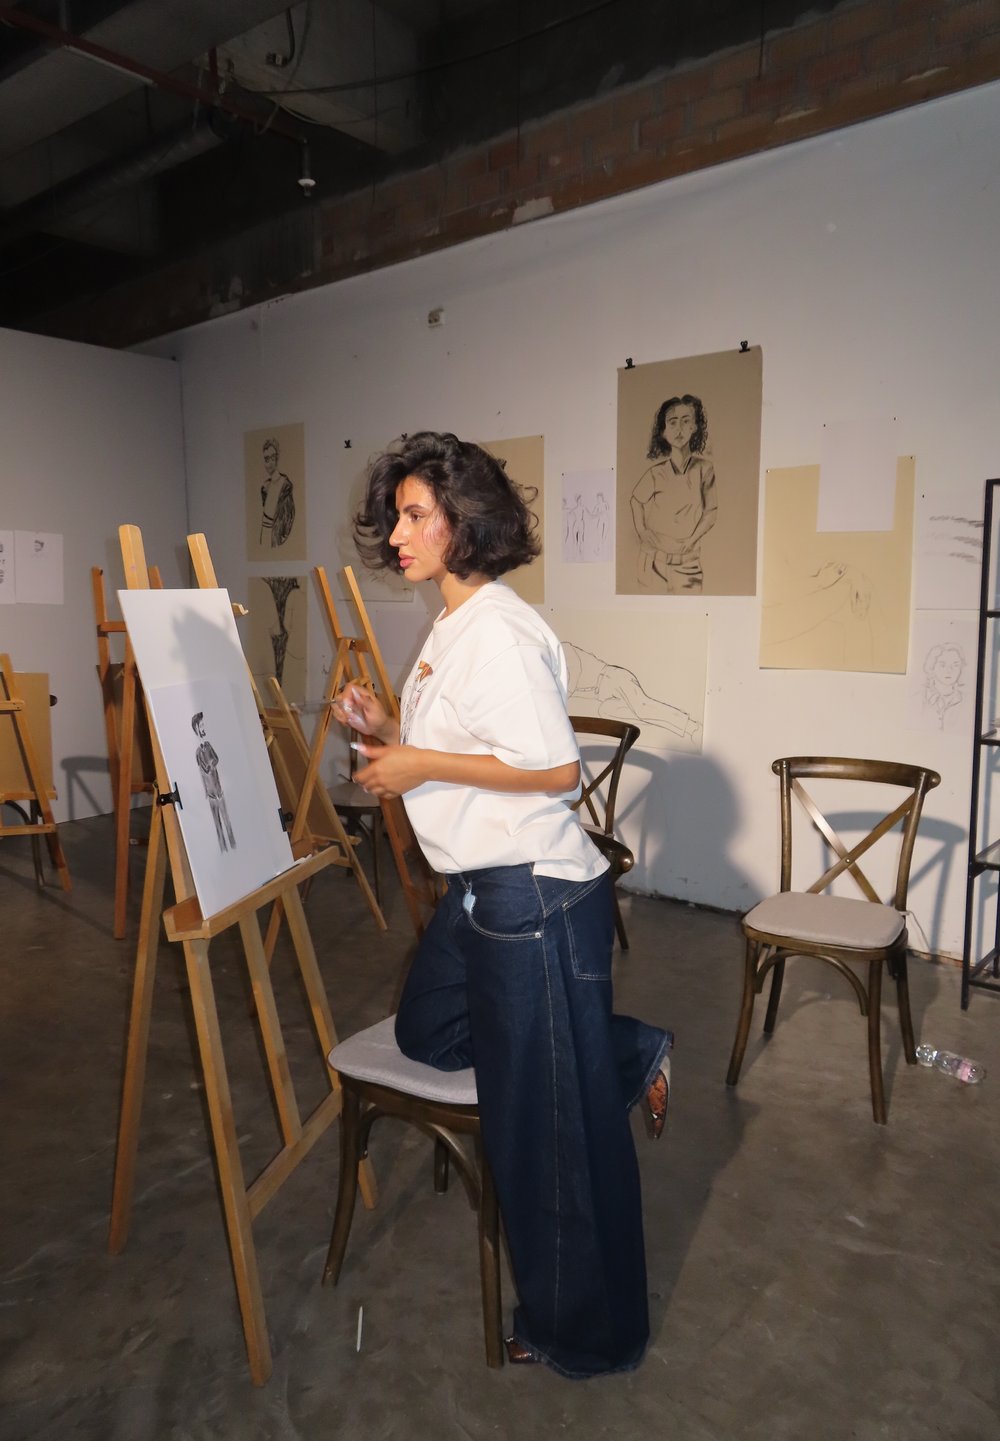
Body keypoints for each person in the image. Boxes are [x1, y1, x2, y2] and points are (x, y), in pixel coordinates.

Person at [331, 431, 672, 1380]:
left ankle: (585, 1336)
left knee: (547, 1138)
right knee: (429, 1028)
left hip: (533, 896)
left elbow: (555, 770)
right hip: (479, 891)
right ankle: (622, 1051)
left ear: (464, 521)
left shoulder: (502, 632)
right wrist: (391, 727)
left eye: (416, 515)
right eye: (396, 515)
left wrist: (416, 762)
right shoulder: (453, 623)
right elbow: (470, 740)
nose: (398, 533)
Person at [630, 394, 717, 592]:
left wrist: (691, 540)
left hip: (688, 565)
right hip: (651, 564)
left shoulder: (705, 469)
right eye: (672, 422)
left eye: (685, 421)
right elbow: (635, 501)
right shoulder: (655, 473)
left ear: (694, 427)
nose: (679, 429)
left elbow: (711, 512)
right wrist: (642, 530)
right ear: (663, 431)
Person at [191, 711, 236, 852]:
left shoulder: (209, 745)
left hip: (219, 792)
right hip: (211, 795)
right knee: (218, 826)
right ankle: (223, 850)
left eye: (203, 725)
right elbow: (206, 768)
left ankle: (233, 847)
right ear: (197, 728)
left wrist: (212, 764)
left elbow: (216, 759)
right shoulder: (198, 752)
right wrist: (211, 764)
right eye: (201, 725)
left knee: (227, 822)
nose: (204, 727)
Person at [259, 436, 295, 547]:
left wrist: (280, 537)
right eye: (266, 459)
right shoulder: (265, 486)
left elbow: (289, 517)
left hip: (275, 537)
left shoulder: (285, 486)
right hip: (265, 535)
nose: (269, 463)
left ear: (277, 458)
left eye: (273, 458)